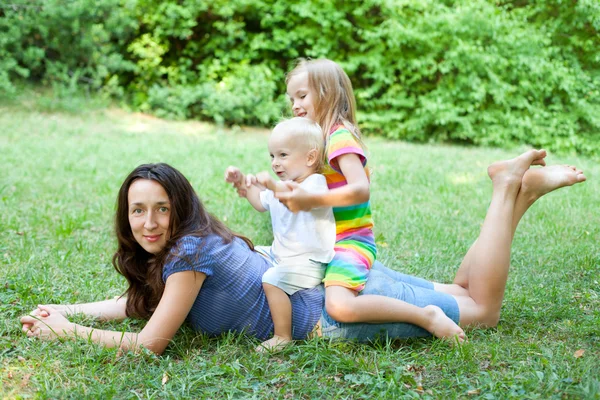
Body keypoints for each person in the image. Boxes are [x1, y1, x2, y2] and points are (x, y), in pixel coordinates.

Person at [20, 152, 586, 354]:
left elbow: (148, 343)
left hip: (327, 317)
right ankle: (516, 192)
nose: (149, 222)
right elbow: (134, 304)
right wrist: (64, 311)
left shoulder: (189, 254)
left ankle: (504, 189)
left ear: (180, 209)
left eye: (161, 208)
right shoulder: (185, 250)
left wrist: (67, 334)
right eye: (139, 210)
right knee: (463, 291)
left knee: (481, 309)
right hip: (332, 276)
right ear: (126, 213)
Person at [277, 58, 465, 339]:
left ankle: (427, 316)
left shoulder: (339, 138)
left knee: (340, 307)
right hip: (330, 241)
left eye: (302, 96)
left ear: (327, 93)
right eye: (292, 98)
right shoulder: (318, 142)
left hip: (350, 241)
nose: (295, 105)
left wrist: (310, 201)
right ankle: (457, 291)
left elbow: (361, 189)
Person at [224, 117, 336, 351]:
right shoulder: (283, 184)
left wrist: (272, 186)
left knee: (272, 280)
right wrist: (243, 184)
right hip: (282, 254)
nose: (275, 163)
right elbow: (259, 202)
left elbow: (293, 198)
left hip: (310, 262)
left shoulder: (315, 184)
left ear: (310, 157)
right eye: (272, 156)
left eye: (283, 155)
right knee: (250, 249)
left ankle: (282, 336)